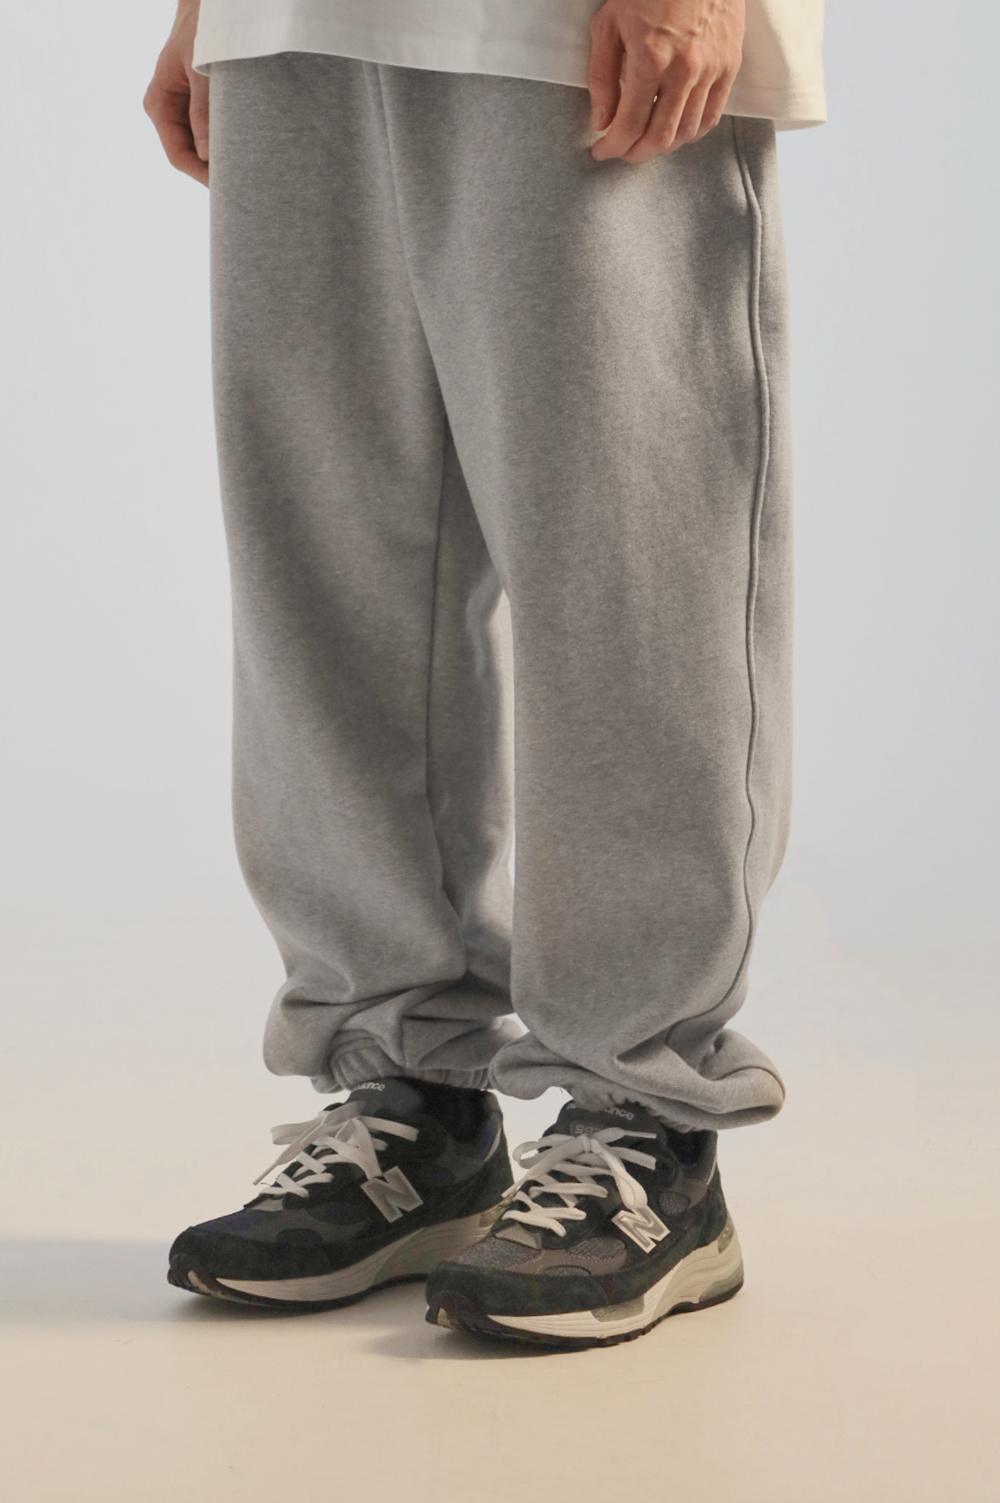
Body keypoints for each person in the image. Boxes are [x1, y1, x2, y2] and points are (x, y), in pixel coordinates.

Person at [144, 0, 825, 1349]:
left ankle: (647, 1120)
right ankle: (412, 1101)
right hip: (291, 26)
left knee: (628, 552)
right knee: (328, 565)